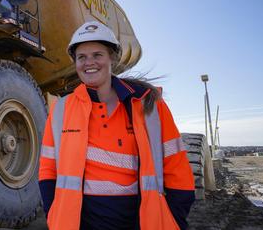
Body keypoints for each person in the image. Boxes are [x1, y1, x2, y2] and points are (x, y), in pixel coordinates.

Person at [39, 21, 195, 230]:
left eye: (97, 55)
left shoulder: (149, 105)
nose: (89, 62)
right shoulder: (61, 110)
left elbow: (177, 168)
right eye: (81, 57)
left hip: (141, 223)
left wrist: (174, 219)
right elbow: (48, 170)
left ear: (112, 57)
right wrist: (54, 216)